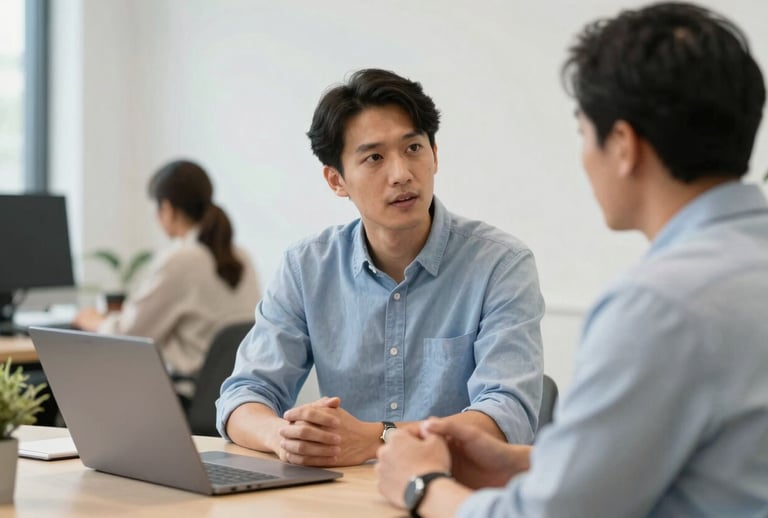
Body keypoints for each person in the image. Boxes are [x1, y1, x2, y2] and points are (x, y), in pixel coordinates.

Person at [376, 2, 768, 516]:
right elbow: (703, 466)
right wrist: (520, 463)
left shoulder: (660, 305)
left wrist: (422, 484)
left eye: (583, 132)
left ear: (623, 145)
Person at [216, 69, 545, 467]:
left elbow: (507, 414)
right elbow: (243, 394)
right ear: (336, 180)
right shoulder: (307, 267)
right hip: (340, 493)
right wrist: (284, 437)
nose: (401, 174)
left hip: (453, 489)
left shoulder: (500, 264)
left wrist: (379, 438)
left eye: (413, 148)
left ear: (435, 155)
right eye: (374, 157)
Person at [73, 160, 261, 399]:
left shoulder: (180, 259)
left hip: (188, 397)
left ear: (167, 208)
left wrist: (94, 321)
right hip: (235, 398)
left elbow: (128, 336)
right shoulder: (241, 256)